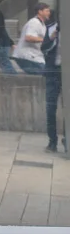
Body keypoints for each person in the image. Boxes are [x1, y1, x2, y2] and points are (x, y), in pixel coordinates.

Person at [43, 12, 62, 153]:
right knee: (50, 109)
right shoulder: (50, 28)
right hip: (52, 73)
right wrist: (54, 35)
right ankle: (52, 142)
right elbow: (43, 47)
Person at [14, 3, 50, 76]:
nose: (49, 13)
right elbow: (28, 37)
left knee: (48, 73)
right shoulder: (34, 22)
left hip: (33, 56)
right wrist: (45, 40)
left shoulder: (42, 24)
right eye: (47, 11)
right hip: (27, 56)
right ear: (40, 11)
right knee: (47, 74)